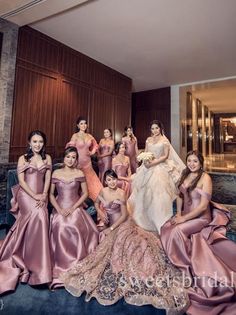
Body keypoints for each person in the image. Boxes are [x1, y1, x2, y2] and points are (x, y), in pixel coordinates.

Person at [60, 170, 189, 313]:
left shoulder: (121, 193)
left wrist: (112, 228)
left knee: (131, 246)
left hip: (123, 224)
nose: (112, 182)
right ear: (105, 181)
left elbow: (124, 215)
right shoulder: (103, 192)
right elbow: (96, 203)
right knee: (103, 255)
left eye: (114, 179)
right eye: (109, 180)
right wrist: (101, 212)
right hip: (112, 225)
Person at [161, 151, 236, 315]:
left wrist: (184, 219)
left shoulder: (205, 178)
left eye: (195, 161)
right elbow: (179, 195)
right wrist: (179, 214)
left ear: (201, 163)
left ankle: (185, 268)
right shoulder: (185, 173)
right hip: (186, 216)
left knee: (176, 232)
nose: (192, 163)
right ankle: (176, 261)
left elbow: (203, 206)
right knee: (166, 227)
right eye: (189, 160)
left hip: (200, 218)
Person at [0, 130, 52, 294]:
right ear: (29, 142)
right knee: (36, 214)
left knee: (43, 216)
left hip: (41, 195)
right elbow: (21, 181)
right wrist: (34, 196)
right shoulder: (24, 158)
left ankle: (40, 267)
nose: (38, 145)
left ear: (44, 143)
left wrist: (43, 195)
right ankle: (24, 261)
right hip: (26, 194)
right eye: (35, 141)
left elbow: (48, 179)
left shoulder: (47, 158)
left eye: (41, 142)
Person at [49, 147, 99, 289]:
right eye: (68, 157)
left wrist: (74, 207)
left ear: (76, 159)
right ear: (63, 158)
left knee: (74, 225)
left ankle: (77, 261)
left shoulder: (79, 172)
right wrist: (59, 209)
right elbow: (51, 194)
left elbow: (85, 193)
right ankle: (61, 263)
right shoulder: (56, 172)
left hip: (75, 208)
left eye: (73, 157)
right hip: (60, 207)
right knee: (60, 225)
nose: (70, 160)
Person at [128, 120, 185, 233]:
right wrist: (144, 160)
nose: (155, 130)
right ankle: (143, 215)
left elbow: (165, 156)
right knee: (142, 190)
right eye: (153, 128)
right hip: (147, 166)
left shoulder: (164, 141)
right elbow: (146, 152)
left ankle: (157, 218)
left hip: (159, 167)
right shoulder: (148, 140)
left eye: (157, 128)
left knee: (158, 192)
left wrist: (153, 163)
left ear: (160, 128)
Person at [66, 116, 102, 201]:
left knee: (92, 183)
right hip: (78, 163)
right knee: (80, 183)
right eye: (81, 123)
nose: (84, 125)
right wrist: (73, 161)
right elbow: (70, 149)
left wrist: (92, 152)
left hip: (88, 163)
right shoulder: (75, 136)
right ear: (78, 125)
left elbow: (96, 145)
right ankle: (83, 202)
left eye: (85, 123)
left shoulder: (89, 136)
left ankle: (96, 201)